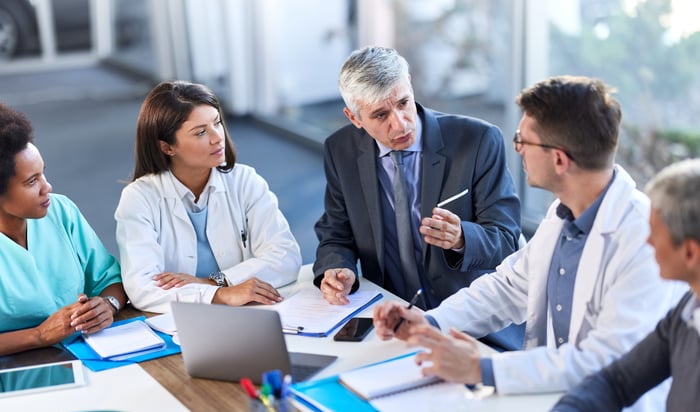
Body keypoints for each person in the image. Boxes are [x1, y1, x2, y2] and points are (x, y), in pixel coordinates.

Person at [373, 75, 687, 412]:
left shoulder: (643, 239)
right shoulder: (564, 212)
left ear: (558, 159)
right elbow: (509, 287)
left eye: (522, 140)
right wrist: (431, 323)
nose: (517, 148)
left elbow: (605, 361)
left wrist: (481, 367)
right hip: (551, 411)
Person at [312, 46, 521, 335]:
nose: (399, 124)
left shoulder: (478, 141)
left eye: (403, 103)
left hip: (470, 324)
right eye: (380, 114)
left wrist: (462, 238)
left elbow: (508, 241)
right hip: (391, 318)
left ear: (409, 83)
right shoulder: (340, 151)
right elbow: (336, 232)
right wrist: (338, 268)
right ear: (354, 118)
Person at [510, 158, 700, 412]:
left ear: (690, 252)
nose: (646, 240)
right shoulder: (686, 311)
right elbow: (619, 379)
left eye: (655, 232)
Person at [115, 81, 302, 314]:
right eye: (201, 132)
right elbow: (143, 289)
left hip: (248, 312)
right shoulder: (139, 198)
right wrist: (222, 295)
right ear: (167, 147)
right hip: (183, 323)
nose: (217, 138)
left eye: (217, 123)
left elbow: (286, 257)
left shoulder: (245, 181)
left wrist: (215, 282)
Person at [0, 103, 126, 356]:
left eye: (43, 174)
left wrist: (108, 305)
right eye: (32, 181)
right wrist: (39, 335)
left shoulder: (61, 211)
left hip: (89, 356)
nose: (47, 187)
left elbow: (110, 280)